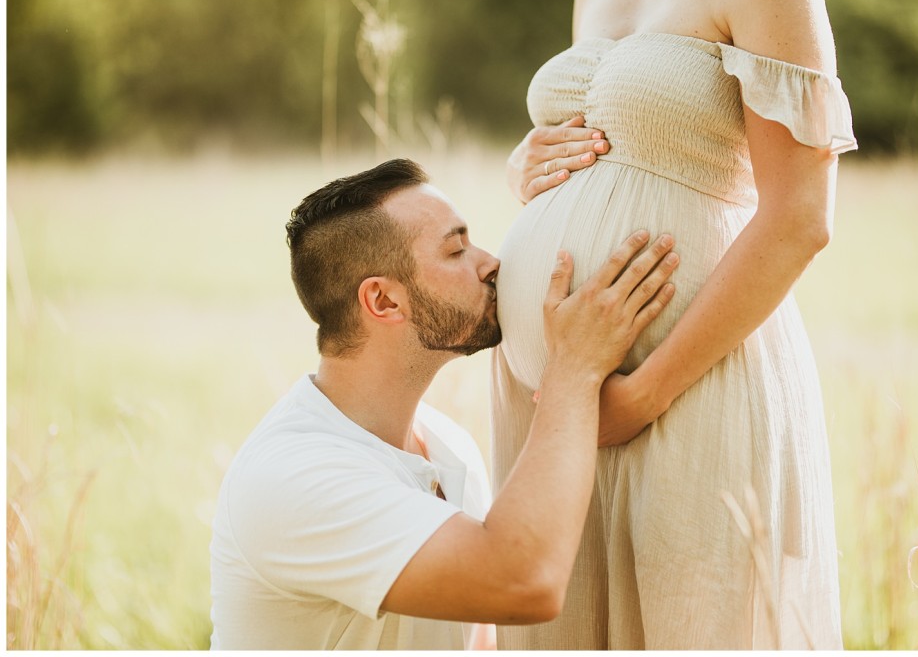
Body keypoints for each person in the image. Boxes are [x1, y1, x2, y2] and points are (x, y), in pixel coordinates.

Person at [492, 0, 857, 650]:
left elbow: (800, 218)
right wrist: (528, 167)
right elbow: (612, 142)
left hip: (693, 382)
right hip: (559, 403)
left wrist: (643, 393)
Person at [208, 158, 679, 650]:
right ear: (384, 302)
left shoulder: (447, 446)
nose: (490, 263)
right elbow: (523, 582)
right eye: (456, 250)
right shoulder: (294, 478)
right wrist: (574, 369)